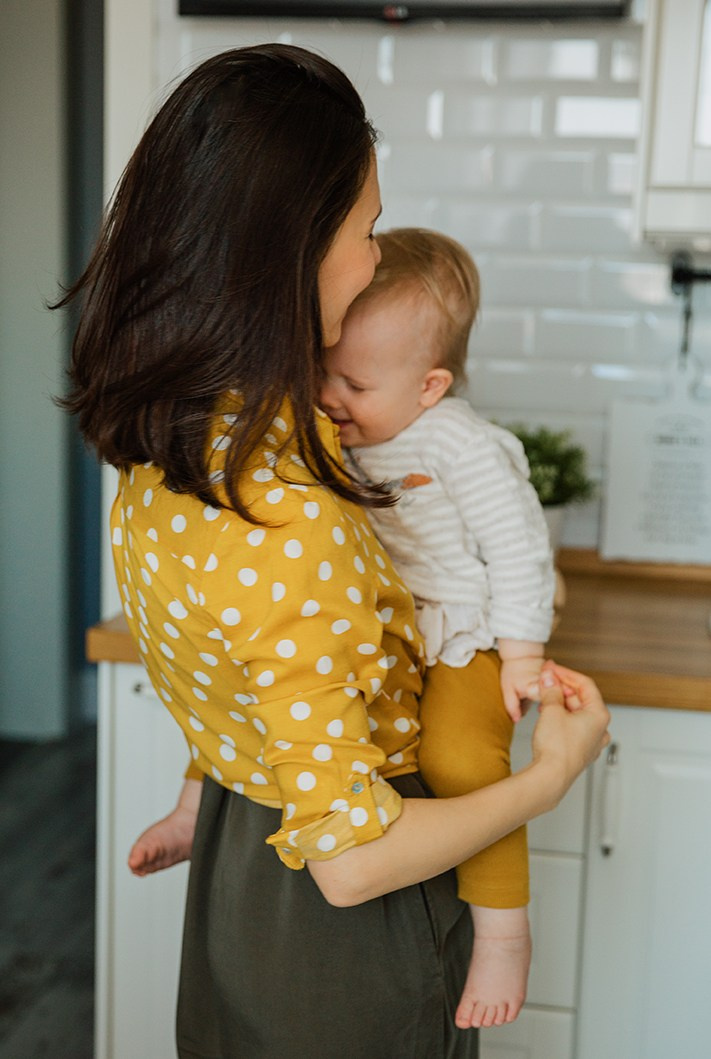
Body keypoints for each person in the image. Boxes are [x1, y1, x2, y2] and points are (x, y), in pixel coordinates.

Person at [58, 44, 610, 1059]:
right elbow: (352, 865)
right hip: (346, 931)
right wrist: (550, 777)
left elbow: (252, 668)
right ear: (295, 254)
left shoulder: (174, 453)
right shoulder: (290, 518)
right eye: (365, 229)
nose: (371, 258)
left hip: (236, 868)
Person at [132, 228, 553, 1031]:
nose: (330, 396)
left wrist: (522, 655)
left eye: (355, 383)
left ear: (429, 387)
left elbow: (519, 548)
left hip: (457, 636)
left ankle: (504, 929)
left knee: (460, 758)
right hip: (372, 636)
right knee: (255, 693)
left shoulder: (455, 441)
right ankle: (192, 810)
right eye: (322, 371)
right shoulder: (327, 428)